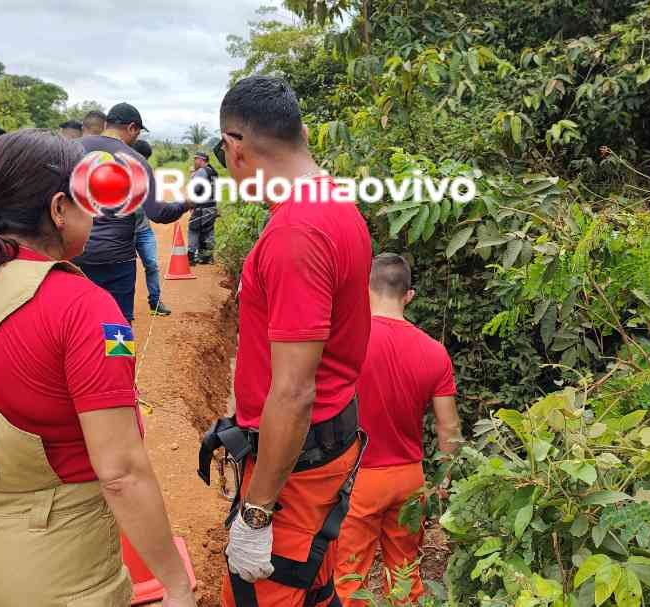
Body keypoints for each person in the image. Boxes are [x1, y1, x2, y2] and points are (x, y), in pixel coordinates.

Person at [0, 129, 196, 607]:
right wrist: (177, 586)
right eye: (85, 200)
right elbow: (120, 473)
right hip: (61, 572)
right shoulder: (86, 309)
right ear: (58, 209)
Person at [197, 75, 372, 607]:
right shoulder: (335, 202)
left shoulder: (297, 231)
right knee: (311, 585)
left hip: (295, 466)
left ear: (236, 147)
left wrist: (255, 513)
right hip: (321, 447)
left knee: (270, 592)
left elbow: (294, 392)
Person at [334, 253, 462, 606]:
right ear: (409, 295)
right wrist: (444, 480)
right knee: (405, 575)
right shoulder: (435, 353)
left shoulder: (347, 342)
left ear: (365, 288)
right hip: (410, 477)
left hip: (357, 477)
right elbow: (448, 427)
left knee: (348, 578)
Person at [74, 102, 190, 322]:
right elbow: (158, 213)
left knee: (79, 322)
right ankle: (117, 356)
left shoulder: (69, 149)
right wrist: (185, 204)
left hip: (74, 254)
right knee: (118, 327)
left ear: (107, 123)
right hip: (117, 259)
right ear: (133, 128)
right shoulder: (135, 161)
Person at [130, 139, 171, 316]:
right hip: (126, 232)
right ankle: (124, 307)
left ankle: (155, 302)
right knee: (127, 270)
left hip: (144, 229)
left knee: (152, 265)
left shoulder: (147, 175)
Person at [187, 151, 218, 265]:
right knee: (208, 231)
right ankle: (206, 257)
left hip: (202, 206)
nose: (195, 161)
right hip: (212, 206)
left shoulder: (201, 172)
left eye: (196, 159)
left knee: (193, 229)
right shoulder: (213, 172)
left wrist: (191, 203)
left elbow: (195, 188)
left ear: (202, 160)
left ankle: (191, 256)